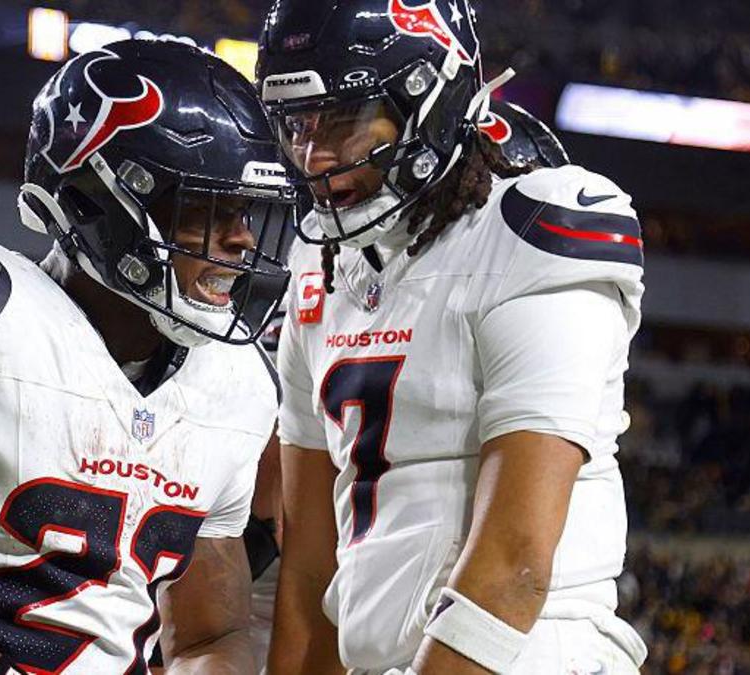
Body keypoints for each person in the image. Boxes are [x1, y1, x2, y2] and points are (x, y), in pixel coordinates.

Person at [0, 40, 296, 675]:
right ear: (94, 202)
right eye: (206, 210)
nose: (240, 240)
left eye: (245, 211)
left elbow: (210, 636)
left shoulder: (236, 383)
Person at [257, 1, 648, 673]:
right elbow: (309, 572)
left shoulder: (533, 227)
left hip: (526, 653)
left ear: (428, 99)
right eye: (297, 125)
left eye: (346, 121)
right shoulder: (319, 267)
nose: (315, 155)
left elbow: (515, 564)